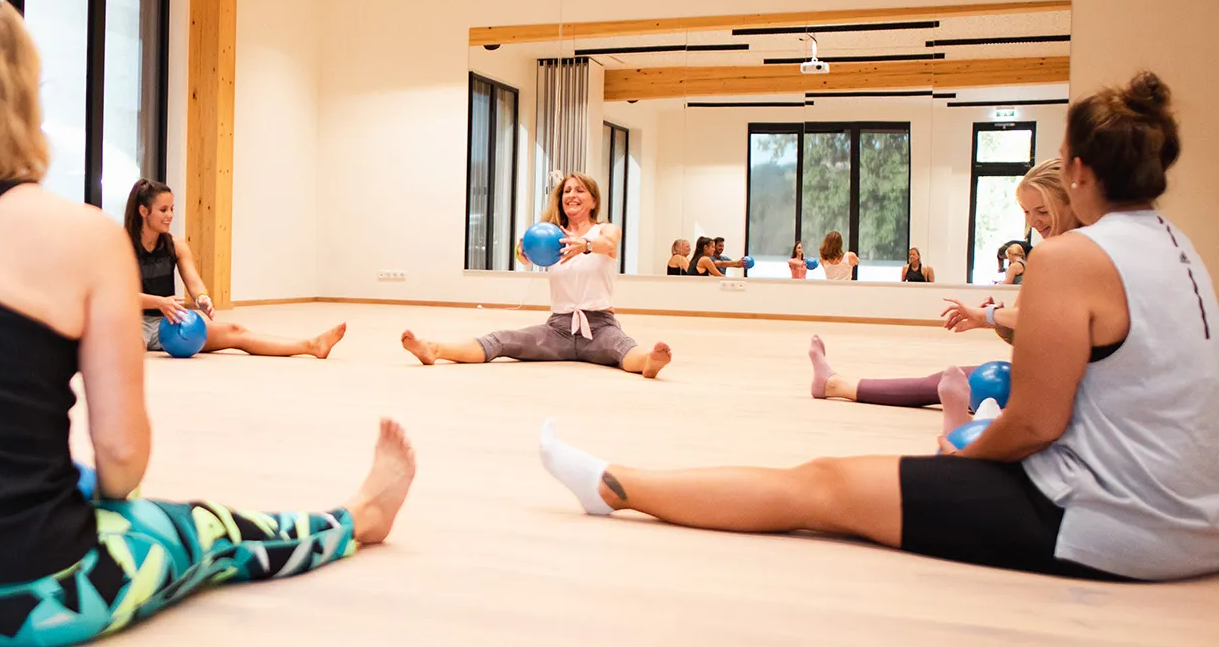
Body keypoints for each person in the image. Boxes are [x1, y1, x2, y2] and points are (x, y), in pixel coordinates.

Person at [0, 0, 415, 647]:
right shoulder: (84, 235)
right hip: (31, 594)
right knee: (206, 529)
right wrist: (90, 489)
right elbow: (122, 456)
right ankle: (358, 518)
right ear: (26, 102)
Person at [541, 72, 1219, 581]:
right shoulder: (1181, 249)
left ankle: (613, 484)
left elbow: (1037, 424)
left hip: (1106, 528)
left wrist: (957, 458)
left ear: (1075, 168)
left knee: (822, 485)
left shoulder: (1073, 257)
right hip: (1190, 521)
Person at [810, 160, 1079, 433]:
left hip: (1060, 389)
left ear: (1070, 200)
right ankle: (837, 384)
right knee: (942, 381)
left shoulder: (1072, 253)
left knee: (946, 384)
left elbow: (1040, 320)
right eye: (1026, 212)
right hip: (1039, 375)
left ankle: (837, 385)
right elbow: (1024, 332)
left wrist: (988, 315)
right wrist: (990, 320)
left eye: (1042, 211)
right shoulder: (1050, 253)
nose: (1032, 222)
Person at [401, 173, 672, 378]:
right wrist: (523, 250)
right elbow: (524, 256)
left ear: (593, 200)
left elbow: (610, 244)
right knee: (502, 339)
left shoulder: (604, 230)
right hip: (558, 329)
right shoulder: (551, 236)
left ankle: (649, 362)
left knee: (624, 349)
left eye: (579, 190)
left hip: (600, 326)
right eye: (567, 190)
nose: (571, 194)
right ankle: (434, 349)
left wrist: (585, 246)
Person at [125, 179, 345, 359]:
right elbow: (119, 296)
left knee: (235, 332)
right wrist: (159, 302)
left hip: (169, 319)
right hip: (129, 320)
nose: (170, 215)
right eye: (163, 210)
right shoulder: (121, 245)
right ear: (144, 211)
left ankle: (311, 345)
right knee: (128, 349)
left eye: (172, 209)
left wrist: (202, 298)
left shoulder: (176, 244)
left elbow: (193, 281)